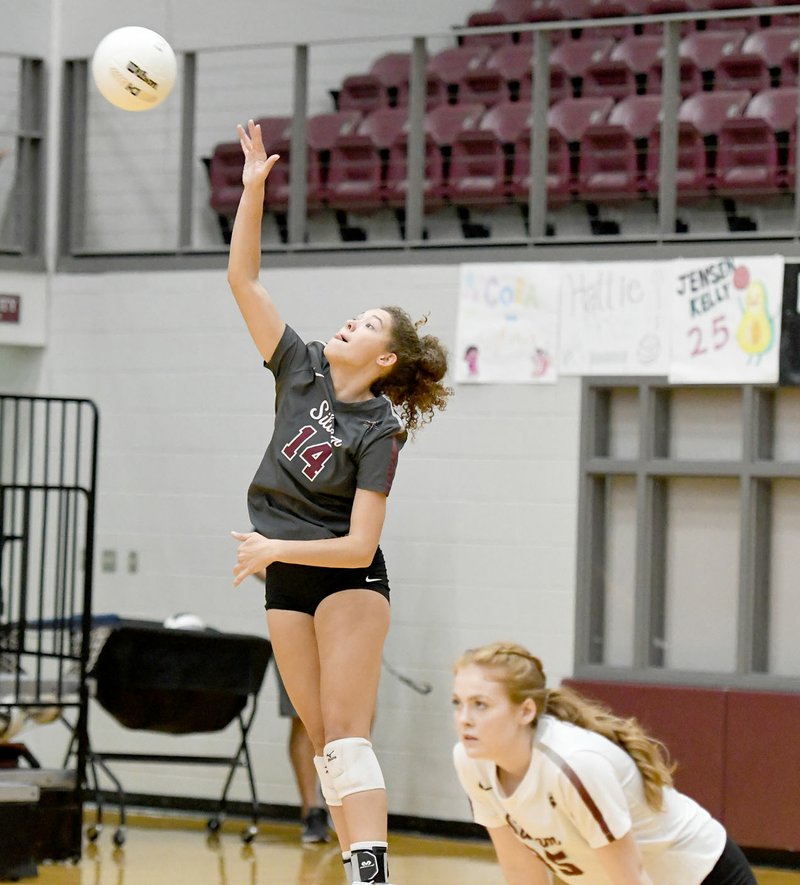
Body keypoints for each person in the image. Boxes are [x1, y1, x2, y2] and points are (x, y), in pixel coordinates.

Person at [226, 119, 451, 885]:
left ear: (383, 358)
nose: (347, 322)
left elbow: (358, 546)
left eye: (365, 324)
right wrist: (254, 191)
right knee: (322, 738)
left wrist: (275, 548)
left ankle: (370, 873)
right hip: (286, 572)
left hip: (346, 580)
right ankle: (359, 864)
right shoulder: (299, 370)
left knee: (349, 735)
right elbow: (245, 282)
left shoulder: (378, 427)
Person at [451, 642, 757, 885]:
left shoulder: (574, 766)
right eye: (458, 703)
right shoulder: (472, 761)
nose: (464, 719)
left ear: (526, 711)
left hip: (702, 875)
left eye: (481, 705)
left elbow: (631, 879)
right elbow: (520, 870)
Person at [252, 568, 329, 844]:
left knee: (356, 719)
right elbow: (256, 559)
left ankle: (343, 803)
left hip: (345, 619)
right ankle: (313, 810)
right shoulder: (277, 524)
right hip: (297, 624)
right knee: (304, 718)